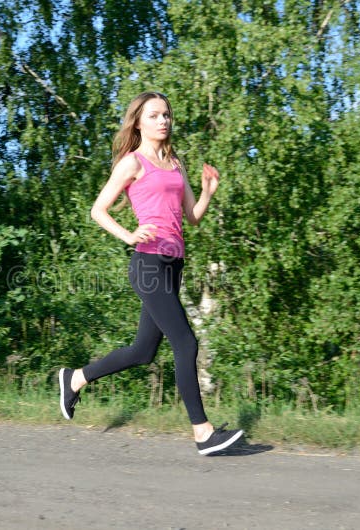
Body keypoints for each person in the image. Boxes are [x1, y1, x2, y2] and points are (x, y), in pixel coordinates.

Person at [58, 91, 244, 455]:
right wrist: (129, 235)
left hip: (174, 264)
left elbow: (192, 217)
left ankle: (75, 378)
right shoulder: (132, 163)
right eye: (155, 115)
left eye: (167, 115)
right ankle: (203, 433)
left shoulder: (175, 162)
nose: (163, 121)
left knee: (143, 351)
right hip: (147, 264)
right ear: (139, 122)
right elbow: (98, 210)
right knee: (186, 343)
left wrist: (208, 191)